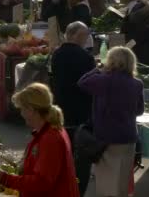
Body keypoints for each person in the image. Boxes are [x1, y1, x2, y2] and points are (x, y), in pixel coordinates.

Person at [0, 83, 80, 197]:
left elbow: (42, 183)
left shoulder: (50, 138)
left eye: (22, 109)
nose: (21, 114)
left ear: (30, 109)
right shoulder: (47, 132)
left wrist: (5, 179)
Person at [78, 47, 144, 197]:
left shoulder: (103, 80)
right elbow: (139, 111)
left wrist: (98, 68)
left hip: (107, 138)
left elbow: (82, 82)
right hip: (129, 137)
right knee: (122, 183)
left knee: (107, 183)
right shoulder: (137, 83)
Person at [50, 22, 95, 195]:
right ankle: (77, 188)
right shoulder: (85, 57)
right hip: (80, 110)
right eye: (84, 35)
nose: (86, 39)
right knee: (80, 156)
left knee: (63, 149)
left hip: (61, 106)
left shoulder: (57, 54)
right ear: (75, 36)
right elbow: (90, 86)